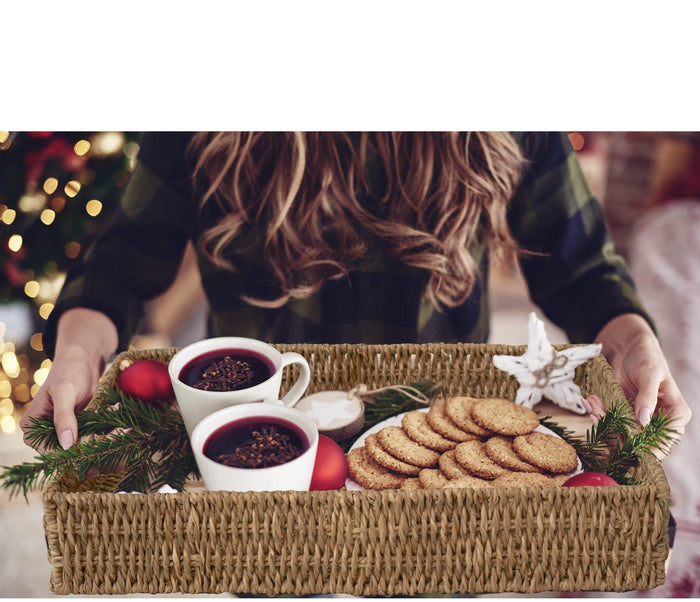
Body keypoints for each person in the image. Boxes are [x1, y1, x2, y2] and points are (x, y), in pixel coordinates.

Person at [20, 132, 691, 448]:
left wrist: (631, 341)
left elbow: (581, 273)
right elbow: (117, 270)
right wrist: (77, 355)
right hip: (260, 452)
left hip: (437, 452)